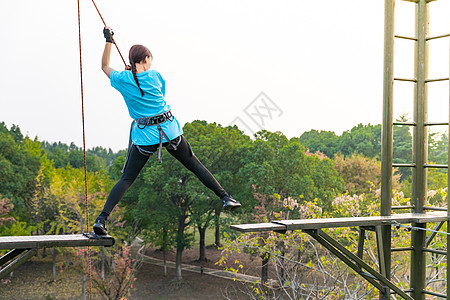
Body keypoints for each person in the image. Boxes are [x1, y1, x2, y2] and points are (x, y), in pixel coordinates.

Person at [93, 27, 241, 235]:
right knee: (194, 163)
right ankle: (225, 197)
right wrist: (132, 74)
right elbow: (158, 93)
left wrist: (109, 41)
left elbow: (104, 66)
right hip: (169, 131)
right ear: (145, 59)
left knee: (127, 178)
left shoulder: (122, 80)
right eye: (150, 59)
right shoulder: (155, 76)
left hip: (145, 137)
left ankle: (102, 219)